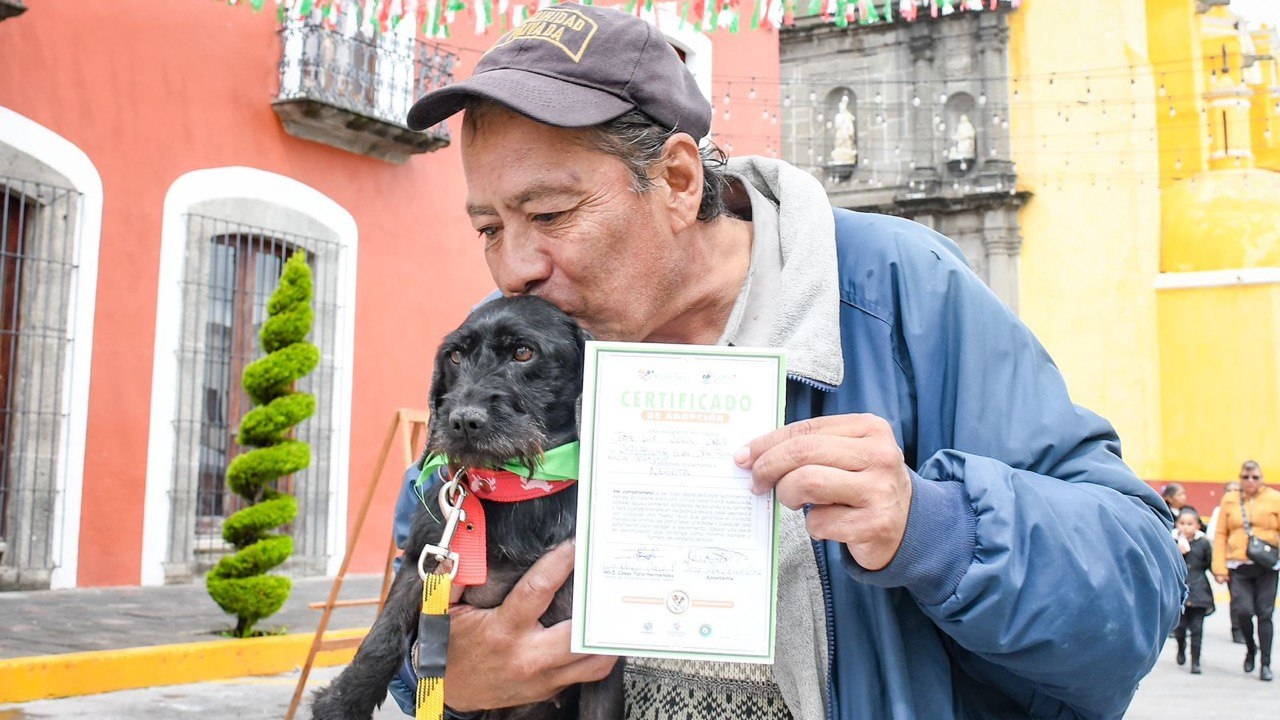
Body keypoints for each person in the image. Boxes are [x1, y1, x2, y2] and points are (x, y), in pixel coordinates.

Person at [388, 5, 1184, 718]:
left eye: (551, 213)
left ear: (675, 178)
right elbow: (416, 617)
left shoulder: (899, 291)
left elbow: (1139, 585)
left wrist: (936, 529)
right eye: (488, 228)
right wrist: (449, 684)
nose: (515, 266)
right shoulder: (501, 350)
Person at [1212, 460, 1280, 681]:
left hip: (1267, 566)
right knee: (1242, 611)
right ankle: (1251, 648)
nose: (1250, 481)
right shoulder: (1230, 500)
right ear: (1240, 479)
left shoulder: (1274, 499)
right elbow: (1221, 534)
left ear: (1262, 479)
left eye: (1255, 477)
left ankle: (1266, 663)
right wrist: (1219, 567)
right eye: (1246, 477)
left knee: (1265, 614)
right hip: (1238, 565)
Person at [1173, 507, 1215, 674]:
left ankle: (1196, 660)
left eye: (1190, 524)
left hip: (1199, 589)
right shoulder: (1172, 541)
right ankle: (1181, 646)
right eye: (1182, 523)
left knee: (1197, 628)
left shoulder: (1203, 543)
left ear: (1197, 526)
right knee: (1180, 626)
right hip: (1179, 588)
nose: (1186, 527)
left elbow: (1208, 563)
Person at [1206, 479, 1245, 644]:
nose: (1234, 493)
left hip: (1246, 559)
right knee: (1237, 597)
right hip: (1230, 560)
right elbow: (1213, 537)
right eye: (1230, 490)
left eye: (1237, 490)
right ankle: (1237, 629)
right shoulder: (1220, 511)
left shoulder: (1247, 509)